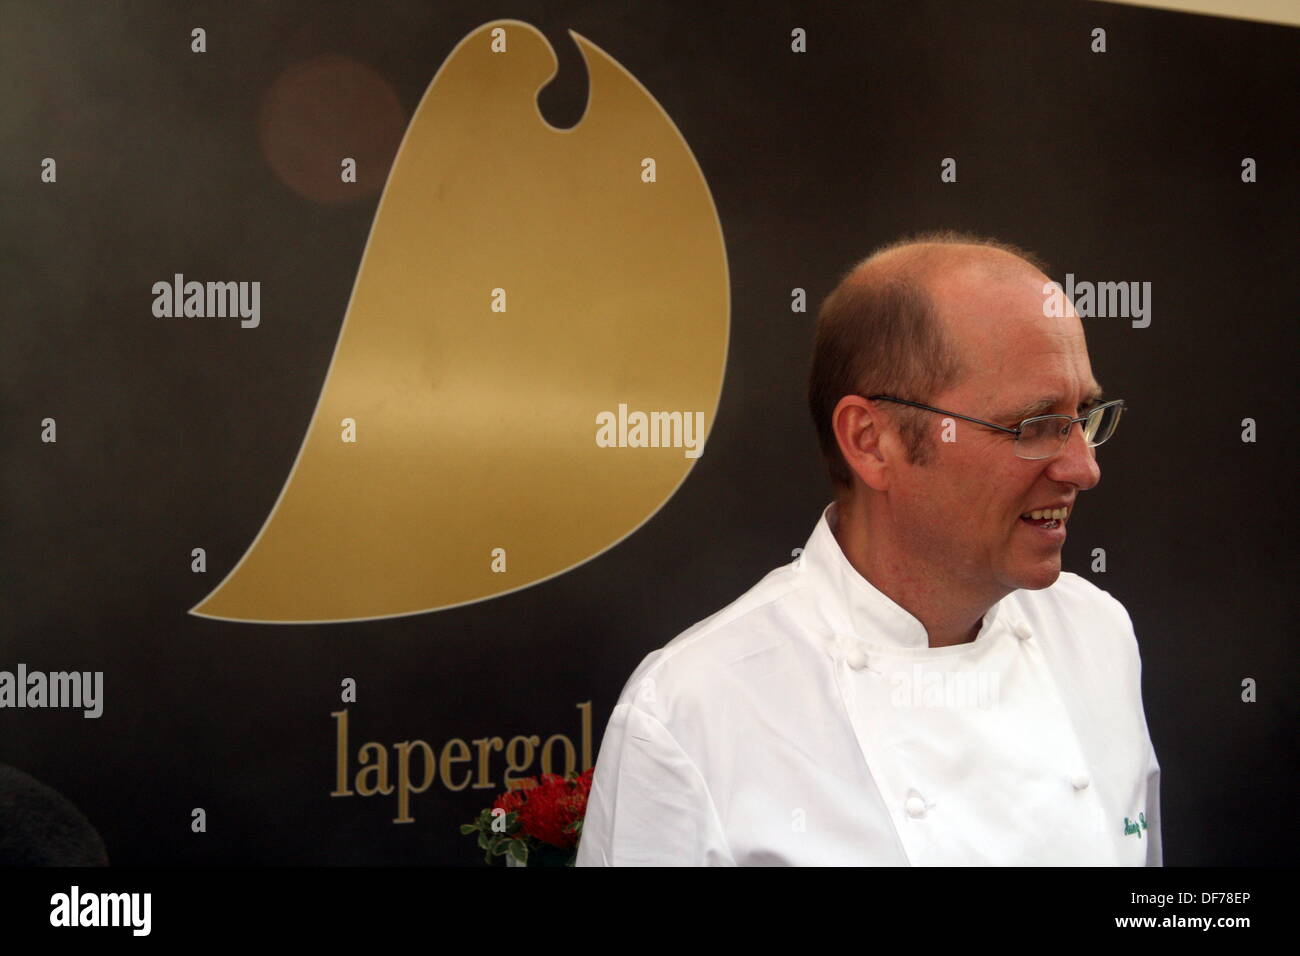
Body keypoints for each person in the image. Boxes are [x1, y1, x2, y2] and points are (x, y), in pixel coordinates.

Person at [575, 230, 1161, 866]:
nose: (1083, 467)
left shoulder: (1097, 634)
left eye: (1086, 417)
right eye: (1035, 425)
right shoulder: (692, 715)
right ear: (871, 441)